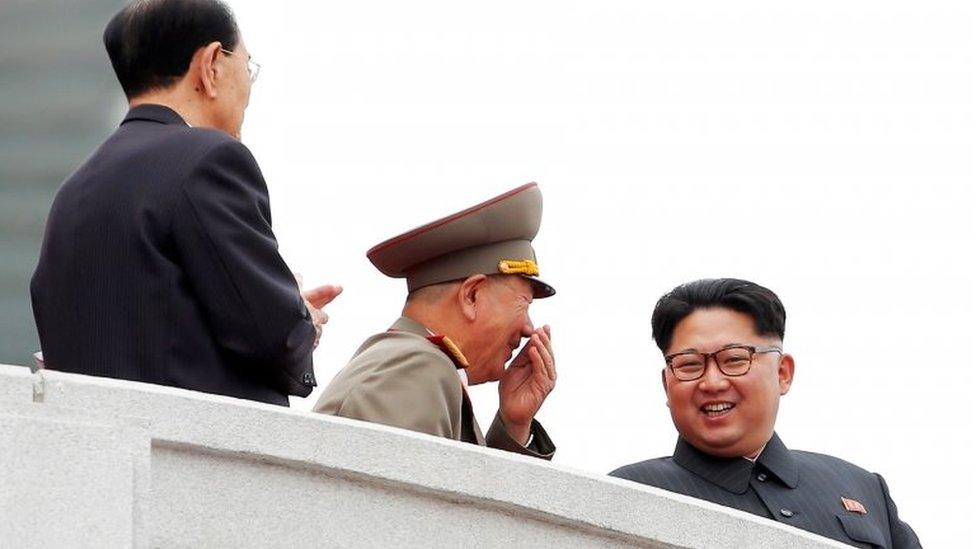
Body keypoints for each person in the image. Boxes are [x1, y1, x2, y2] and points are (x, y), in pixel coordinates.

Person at [30, 0, 340, 406]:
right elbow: (272, 337)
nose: (247, 86)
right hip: (189, 457)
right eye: (248, 66)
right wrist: (301, 319)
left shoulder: (74, 189)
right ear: (211, 64)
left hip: (100, 452)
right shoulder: (210, 158)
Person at [610, 279, 921, 547]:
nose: (712, 382)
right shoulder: (624, 494)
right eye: (690, 365)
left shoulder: (860, 486)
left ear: (783, 373)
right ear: (667, 385)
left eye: (734, 359)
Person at [315, 183, 557, 458]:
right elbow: (402, 499)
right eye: (523, 305)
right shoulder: (418, 368)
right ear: (471, 296)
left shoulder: (409, 361)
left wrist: (514, 426)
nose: (528, 328)